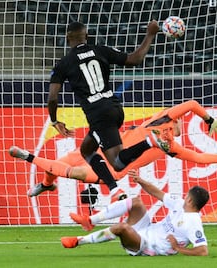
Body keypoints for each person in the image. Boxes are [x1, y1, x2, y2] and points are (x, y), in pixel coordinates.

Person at [9, 99, 217, 195]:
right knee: (64, 162)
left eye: (177, 123)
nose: (177, 122)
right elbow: (191, 104)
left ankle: (27, 156)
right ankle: (47, 185)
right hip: (108, 148)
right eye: (177, 120)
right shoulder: (162, 118)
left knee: (76, 172)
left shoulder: (171, 147)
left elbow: (199, 158)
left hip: (115, 170)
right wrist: (208, 119)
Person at [45, 20, 171, 203]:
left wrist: (55, 120)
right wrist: (150, 34)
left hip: (98, 114)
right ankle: (114, 189)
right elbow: (136, 59)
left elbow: (53, 98)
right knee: (87, 149)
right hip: (115, 109)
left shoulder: (63, 64)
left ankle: (149, 141)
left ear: (67, 38)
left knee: (119, 163)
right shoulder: (100, 50)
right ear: (86, 36)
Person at [61, 169, 209, 256]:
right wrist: (140, 180)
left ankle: (79, 240)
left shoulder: (193, 222)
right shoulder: (178, 204)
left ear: (189, 201)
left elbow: (203, 250)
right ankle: (90, 221)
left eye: (187, 196)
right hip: (146, 229)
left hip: (147, 246)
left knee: (122, 228)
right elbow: (157, 192)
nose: (184, 198)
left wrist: (178, 248)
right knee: (136, 202)